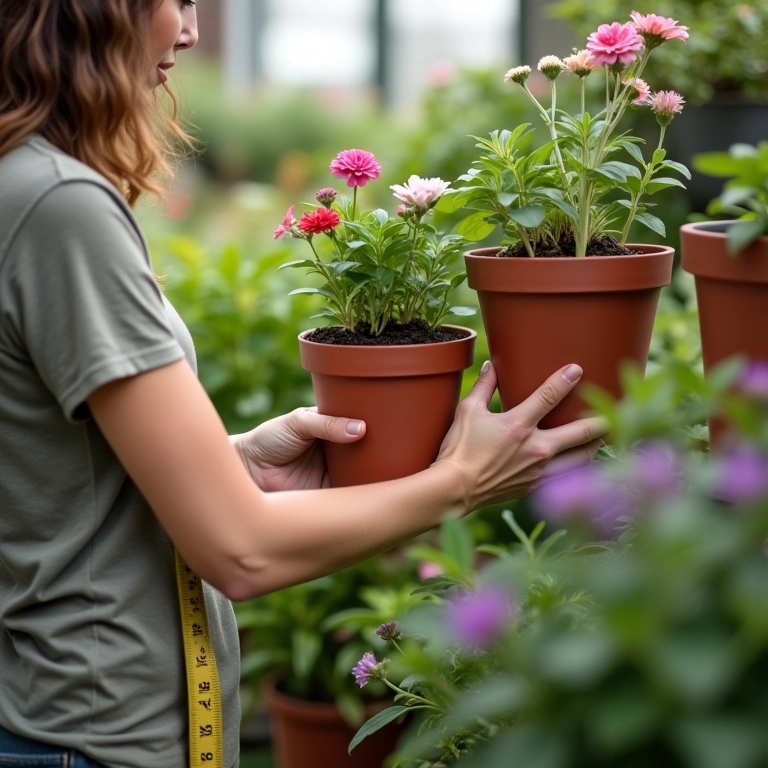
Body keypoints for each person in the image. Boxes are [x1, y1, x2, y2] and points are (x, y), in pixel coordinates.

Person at [0, 1, 606, 767]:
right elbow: (241, 553)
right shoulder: (60, 208)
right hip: (93, 739)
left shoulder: (18, 180)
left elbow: (38, 462)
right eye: (177, 2)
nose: (189, 31)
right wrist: (462, 481)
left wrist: (231, 463)